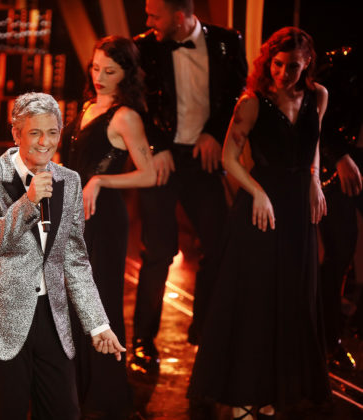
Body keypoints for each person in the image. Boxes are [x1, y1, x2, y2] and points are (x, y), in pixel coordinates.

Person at [0, 92, 126, 420]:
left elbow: (75, 260)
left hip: (52, 320)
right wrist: (27, 202)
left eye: (52, 132)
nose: (45, 142)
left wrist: (98, 324)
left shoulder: (69, 181)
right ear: (16, 133)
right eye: (35, 133)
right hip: (0, 323)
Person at [188, 27, 331, 419]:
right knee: (256, 301)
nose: (284, 73)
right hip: (260, 208)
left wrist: (316, 182)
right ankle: (242, 396)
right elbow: (228, 159)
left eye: (293, 66)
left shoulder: (318, 96)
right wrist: (258, 192)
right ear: (269, 61)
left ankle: (271, 392)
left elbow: (314, 145)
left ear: (307, 63)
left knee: (293, 297)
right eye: (278, 64)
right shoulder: (252, 102)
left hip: (299, 207)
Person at [131, 0, 247, 372]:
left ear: (179, 17)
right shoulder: (144, 47)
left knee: (220, 243)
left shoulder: (227, 42)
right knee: (158, 250)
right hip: (163, 158)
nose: (148, 21)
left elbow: (236, 95)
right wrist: (157, 148)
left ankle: (206, 333)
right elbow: (136, 102)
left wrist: (215, 133)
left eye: (155, 15)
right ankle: (142, 342)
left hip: (202, 158)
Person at [61, 36, 156, 419]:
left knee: (97, 304)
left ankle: (104, 397)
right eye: (95, 67)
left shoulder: (125, 116)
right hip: (73, 215)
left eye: (109, 71)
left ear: (126, 74)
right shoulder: (87, 106)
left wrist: (101, 181)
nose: (99, 76)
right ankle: (75, 391)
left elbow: (149, 174)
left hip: (103, 219)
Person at [317, 44, 363, 371]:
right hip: (340, 164)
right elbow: (316, 119)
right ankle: (328, 339)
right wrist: (339, 156)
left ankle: (353, 322)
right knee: (339, 250)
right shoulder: (342, 64)